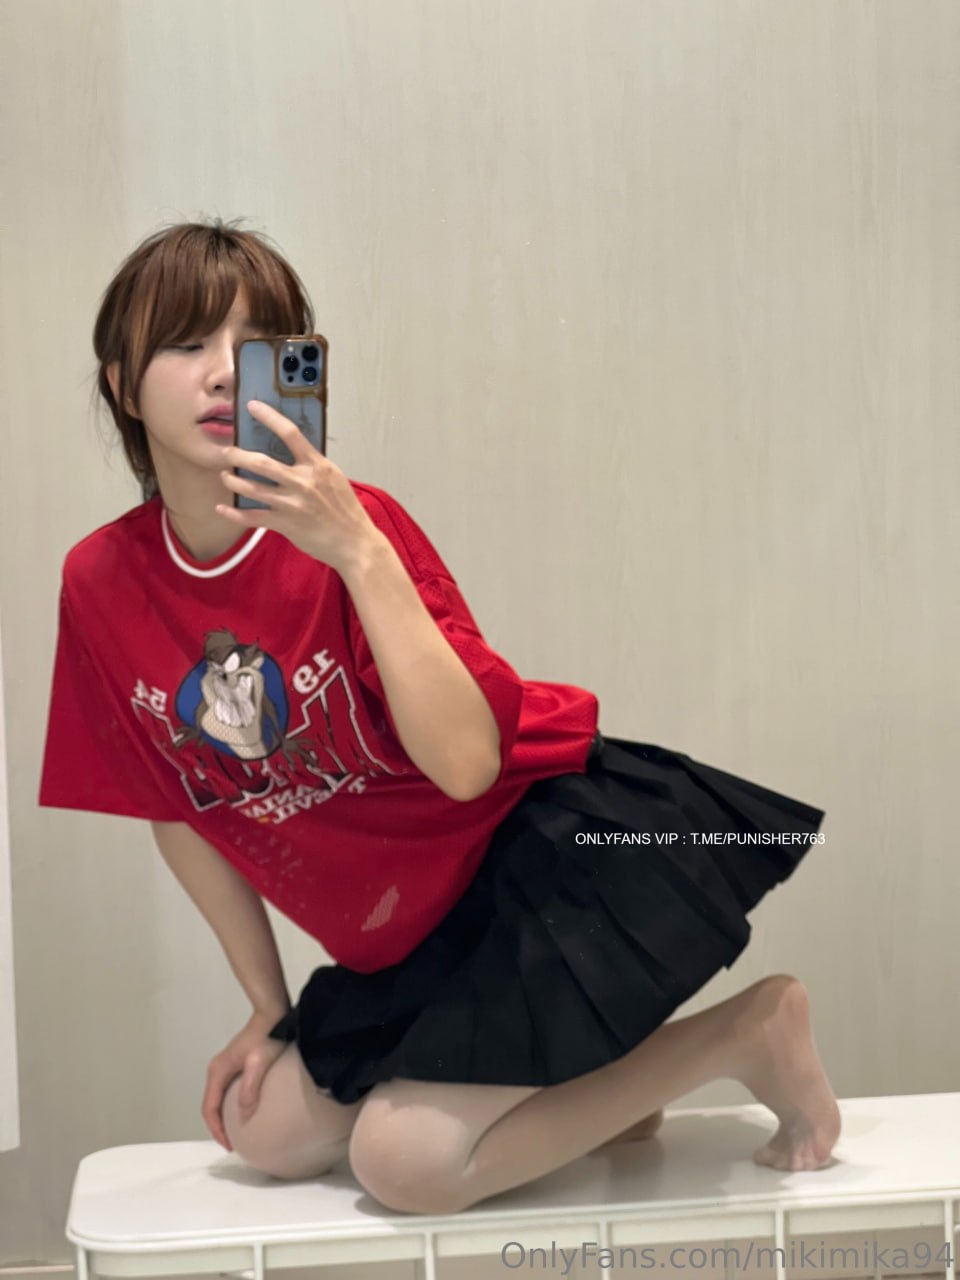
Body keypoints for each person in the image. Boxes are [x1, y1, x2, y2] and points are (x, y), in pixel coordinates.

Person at [38, 218, 841, 1215]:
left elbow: (466, 764)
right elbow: (174, 804)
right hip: (409, 931)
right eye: (186, 342)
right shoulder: (102, 580)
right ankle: (604, 1096)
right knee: (264, 1131)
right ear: (122, 384)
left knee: (405, 1164)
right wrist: (266, 1006)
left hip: (534, 856)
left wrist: (357, 553)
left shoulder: (356, 529)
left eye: (255, 345)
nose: (222, 373)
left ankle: (746, 1034)